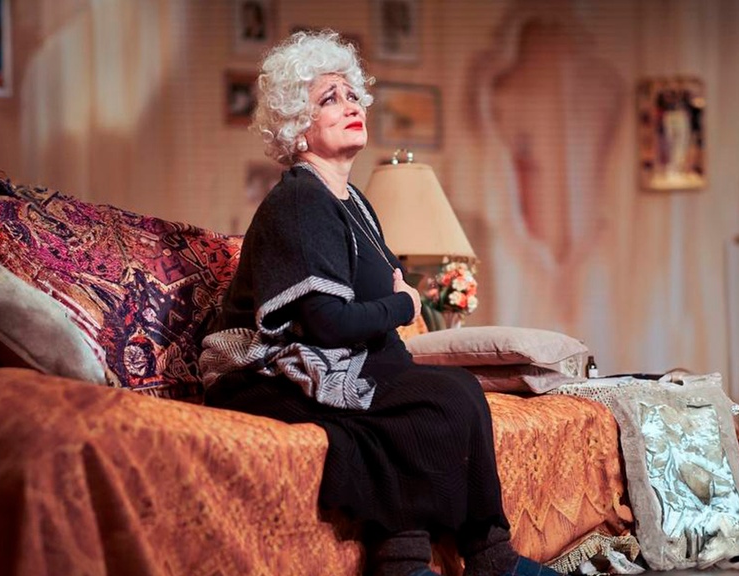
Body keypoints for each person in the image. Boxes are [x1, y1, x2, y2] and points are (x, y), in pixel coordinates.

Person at [198, 30, 561, 576]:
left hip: (330, 360)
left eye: (352, 95)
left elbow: (373, 305)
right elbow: (326, 321)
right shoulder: (299, 200)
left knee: (450, 393)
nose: (351, 106)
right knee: (444, 397)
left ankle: (464, 556)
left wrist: (397, 307)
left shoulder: (355, 202)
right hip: (269, 374)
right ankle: (445, 559)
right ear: (297, 126)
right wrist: (403, 305)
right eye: (329, 99)